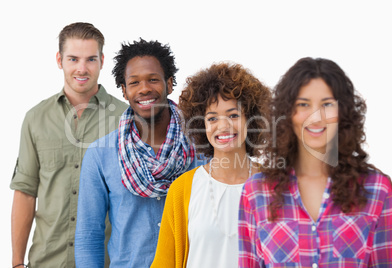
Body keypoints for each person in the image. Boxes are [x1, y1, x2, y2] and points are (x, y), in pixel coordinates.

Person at [238, 57, 392, 267]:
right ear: (287, 113)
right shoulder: (256, 192)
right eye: (303, 104)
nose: (316, 117)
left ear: (343, 113)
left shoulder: (377, 189)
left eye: (327, 104)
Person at [74, 38, 201, 267]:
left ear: (170, 84)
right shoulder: (100, 155)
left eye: (153, 80)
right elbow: (89, 235)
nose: (144, 89)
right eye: (134, 82)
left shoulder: (201, 147)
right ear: (124, 91)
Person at [10, 22, 128, 268]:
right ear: (59, 59)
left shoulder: (125, 119)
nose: (82, 69)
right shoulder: (36, 118)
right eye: (73, 59)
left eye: (91, 59)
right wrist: (17, 262)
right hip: (47, 260)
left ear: (102, 61)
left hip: (106, 261)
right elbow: (25, 192)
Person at [151, 62, 272, 268]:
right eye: (212, 118)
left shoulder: (275, 187)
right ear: (202, 125)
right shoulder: (182, 190)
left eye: (233, 115)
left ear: (250, 120)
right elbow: (165, 263)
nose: (223, 126)